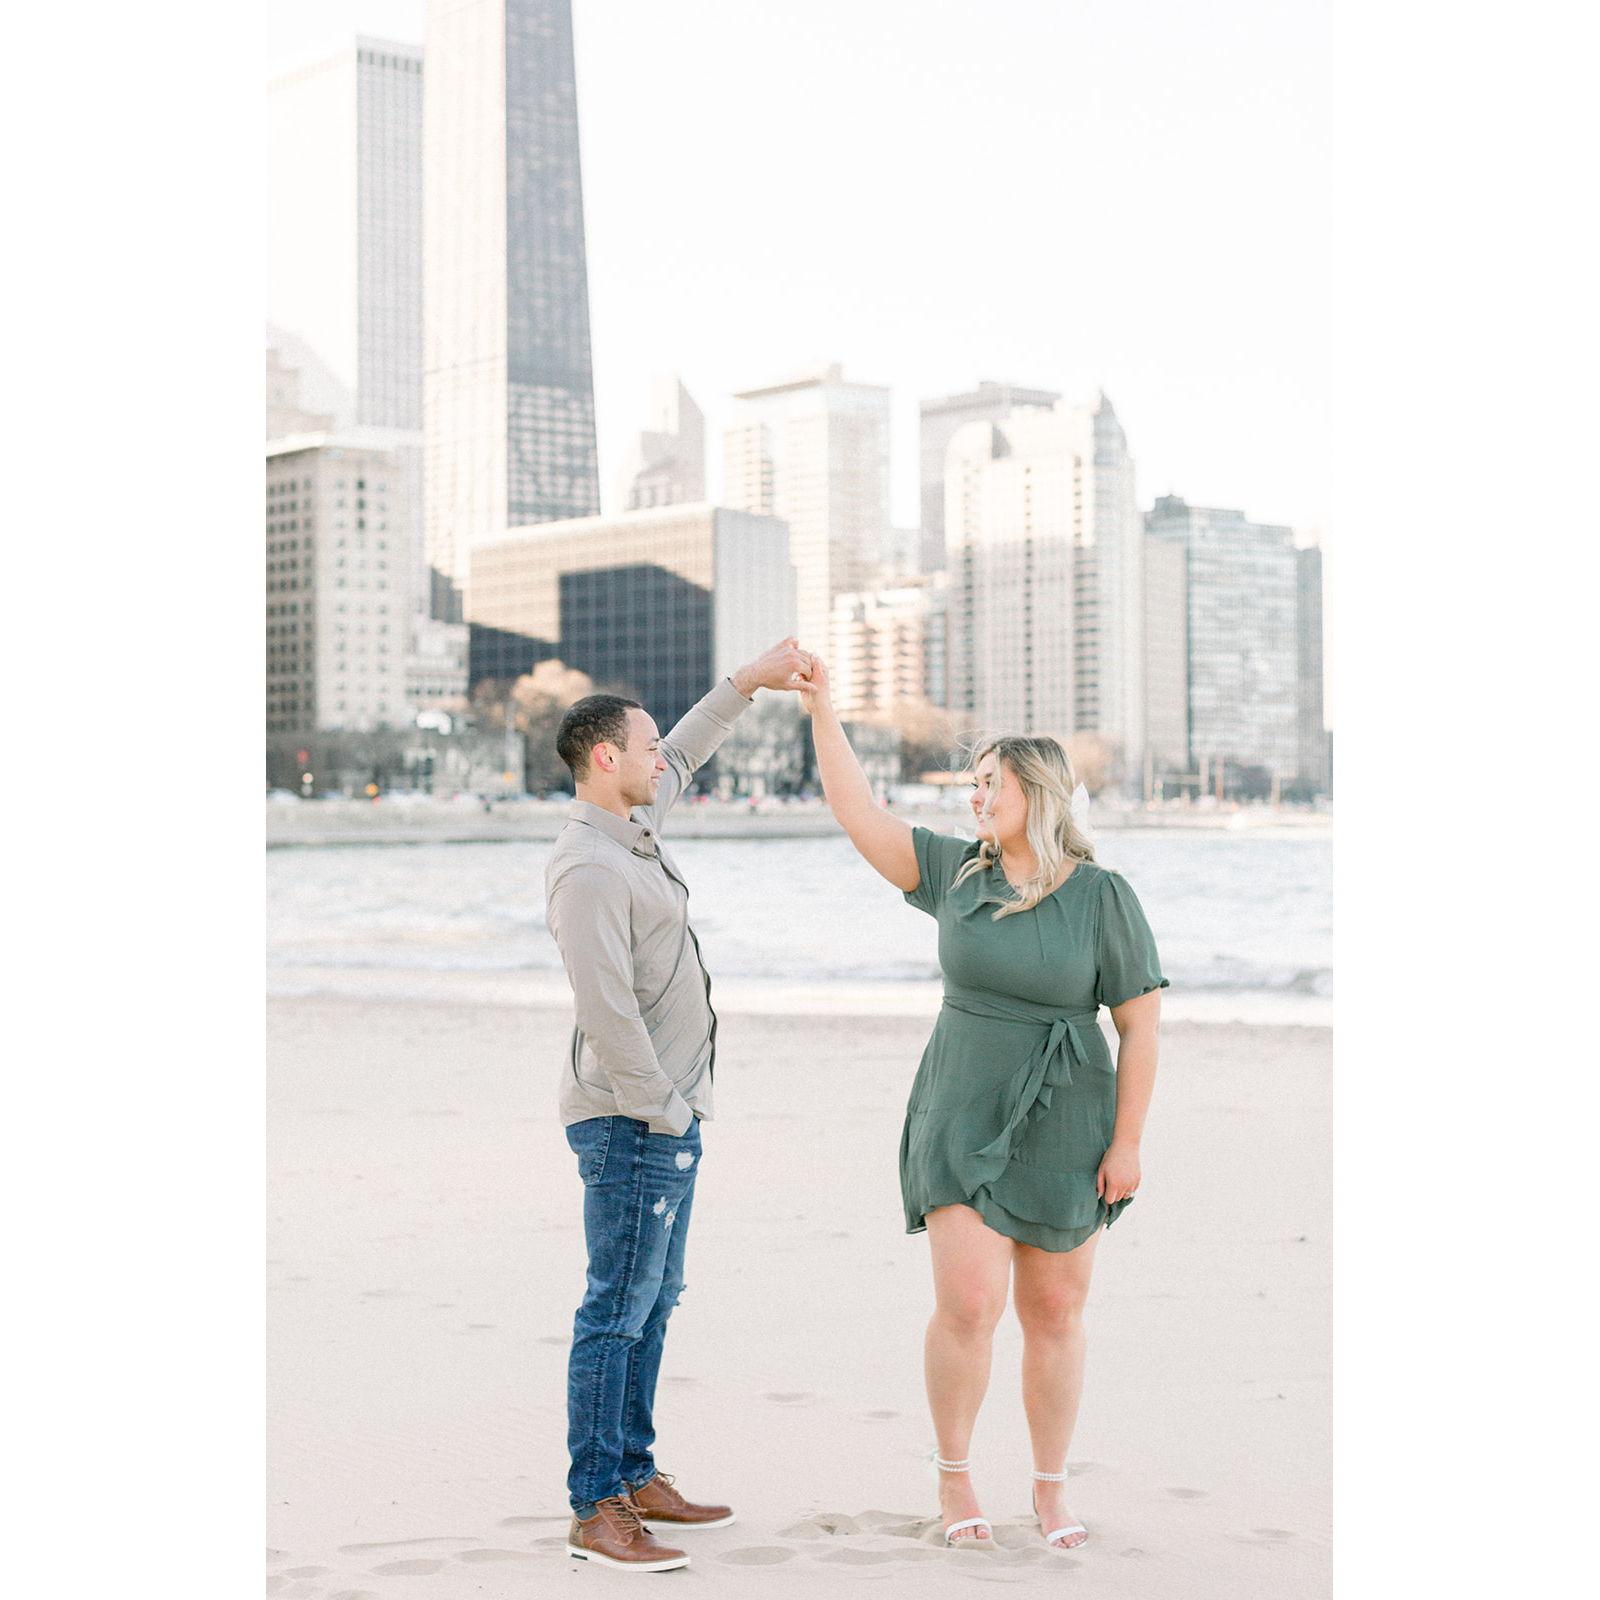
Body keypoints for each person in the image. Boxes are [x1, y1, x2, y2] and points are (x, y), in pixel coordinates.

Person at [798, 656, 1167, 1552]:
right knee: (968, 1303)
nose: (975, 797)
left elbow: (1141, 1029)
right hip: (961, 1108)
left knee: (1056, 1313)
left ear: (1037, 791)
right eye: (973, 783)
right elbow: (858, 811)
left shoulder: (1103, 897)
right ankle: (955, 1476)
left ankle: (1049, 1489)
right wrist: (821, 708)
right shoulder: (956, 874)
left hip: (1069, 1118)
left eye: (990, 782)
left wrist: (1127, 1143)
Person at [546, 640, 812, 1574]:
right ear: (605, 758)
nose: (662, 758)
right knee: (617, 1309)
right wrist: (662, 1109)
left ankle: (635, 1472)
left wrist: (748, 682)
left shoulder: (634, 825)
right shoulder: (589, 867)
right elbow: (605, 1008)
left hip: (667, 1116)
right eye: (646, 746)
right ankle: (597, 1507)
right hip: (632, 1122)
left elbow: (691, 749)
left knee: (654, 1302)